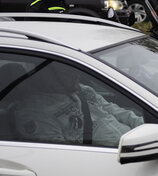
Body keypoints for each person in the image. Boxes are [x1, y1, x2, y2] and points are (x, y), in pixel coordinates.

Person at [13, 62, 144, 147]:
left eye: (74, 70)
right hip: (106, 159)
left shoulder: (84, 90)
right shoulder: (33, 112)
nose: (77, 75)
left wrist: (144, 126)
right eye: (68, 72)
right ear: (46, 75)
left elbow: (117, 111)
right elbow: (57, 153)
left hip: (134, 143)